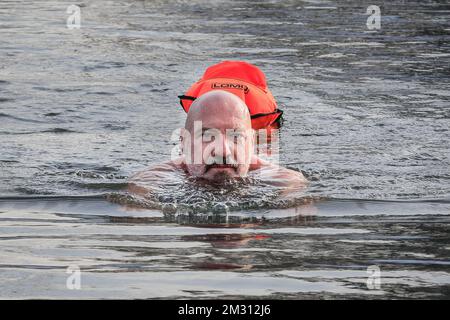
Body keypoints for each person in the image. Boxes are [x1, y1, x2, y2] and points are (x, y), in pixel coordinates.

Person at [128, 90, 307, 196]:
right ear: (183, 143)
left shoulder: (286, 183)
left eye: (236, 136)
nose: (222, 150)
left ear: (252, 142)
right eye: (207, 136)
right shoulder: (149, 183)